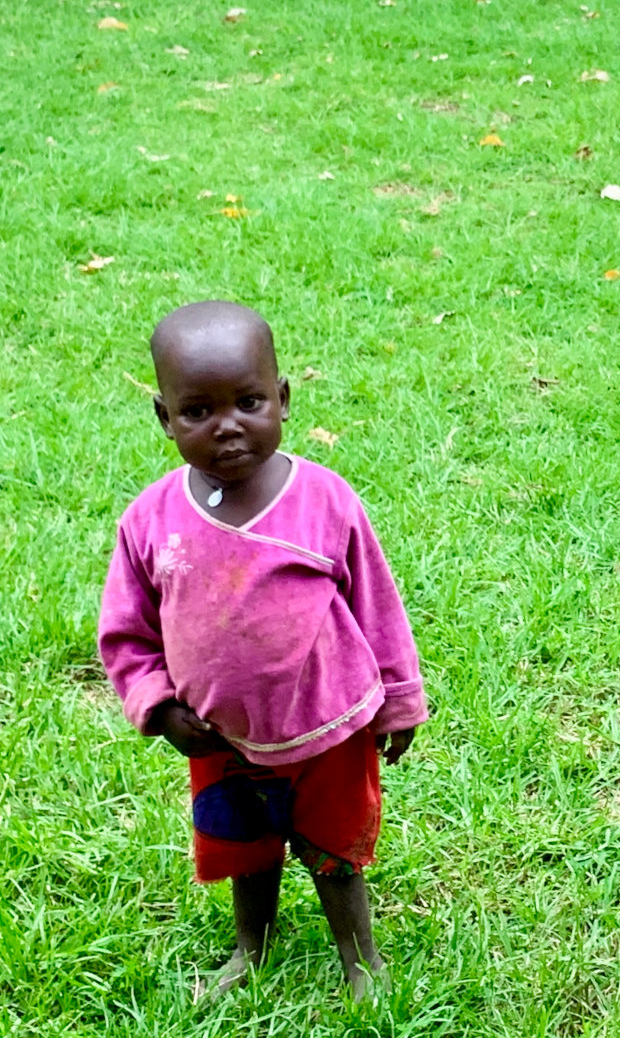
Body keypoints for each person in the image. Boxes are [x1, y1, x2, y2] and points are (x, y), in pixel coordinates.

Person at [97, 300, 427, 1001]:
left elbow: (377, 604)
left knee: (334, 850)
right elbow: (127, 632)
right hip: (218, 736)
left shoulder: (325, 501)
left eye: (249, 402)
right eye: (198, 411)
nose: (228, 425)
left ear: (282, 399)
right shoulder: (150, 521)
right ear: (164, 418)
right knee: (246, 848)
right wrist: (158, 707)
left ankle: (360, 960)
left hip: (329, 725)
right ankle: (252, 946)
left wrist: (399, 701)